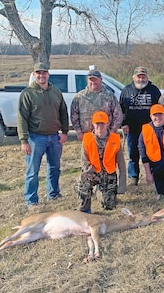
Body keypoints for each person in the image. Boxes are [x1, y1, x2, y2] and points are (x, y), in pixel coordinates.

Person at [18, 62, 69, 209]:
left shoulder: (56, 92)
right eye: (38, 73)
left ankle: (53, 194)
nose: (41, 75)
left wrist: (64, 132)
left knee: (54, 168)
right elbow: (22, 117)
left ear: (48, 74)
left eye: (44, 72)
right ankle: (31, 200)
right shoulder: (27, 93)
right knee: (33, 171)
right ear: (34, 75)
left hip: (54, 137)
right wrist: (24, 140)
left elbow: (63, 113)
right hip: (35, 138)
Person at [76, 111, 126, 213]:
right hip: (92, 172)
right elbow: (84, 161)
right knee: (83, 183)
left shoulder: (115, 139)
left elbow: (121, 164)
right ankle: (85, 208)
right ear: (93, 124)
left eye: (102, 123)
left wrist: (122, 186)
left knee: (108, 206)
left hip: (109, 175)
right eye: (97, 123)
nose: (100, 126)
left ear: (107, 123)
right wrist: (91, 172)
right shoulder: (87, 139)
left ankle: (100, 193)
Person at [119, 66, 161, 185]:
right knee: (133, 154)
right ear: (134, 77)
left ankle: (154, 175)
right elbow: (121, 109)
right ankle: (133, 177)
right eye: (139, 76)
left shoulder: (154, 90)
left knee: (152, 153)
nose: (141, 79)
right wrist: (124, 124)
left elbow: (160, 108)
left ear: (147, 77)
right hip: (132, 128)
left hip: (150, 129)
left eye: (143, 76)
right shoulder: (126, 90)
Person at [70, 66, 123, 141]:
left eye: (95, 80)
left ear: (101, 80)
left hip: (106, 137)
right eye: (90, 80)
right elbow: (74, 116)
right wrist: (79, 132)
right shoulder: (80, 97)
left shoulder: (109, 96)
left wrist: (112, 131)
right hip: (87, 136)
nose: (93, 82)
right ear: (87, 81)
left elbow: (118, 115)